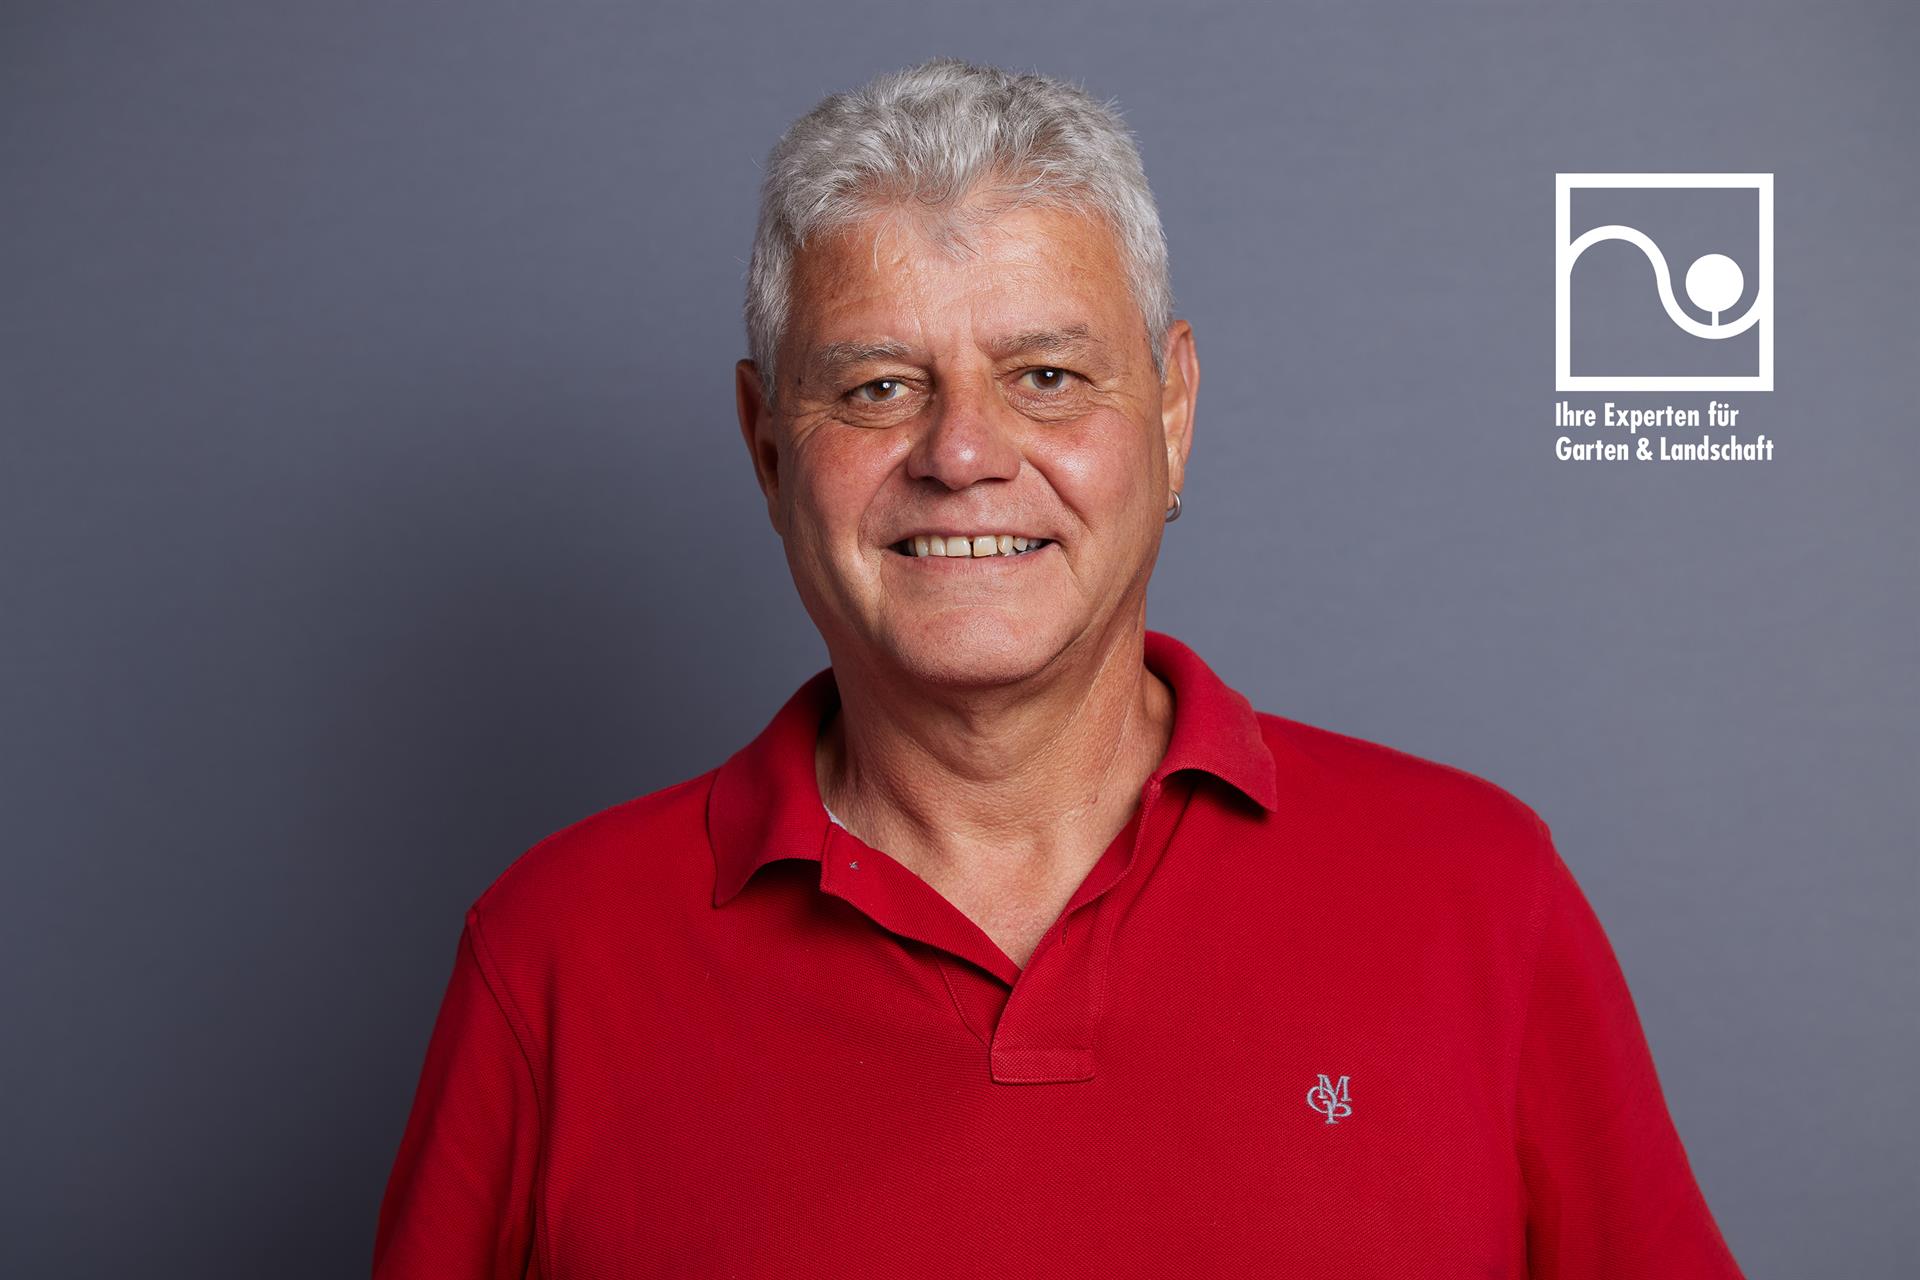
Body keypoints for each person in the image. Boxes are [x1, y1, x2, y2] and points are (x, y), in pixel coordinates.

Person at [372, 56, 1746, 1278]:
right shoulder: (553, 961)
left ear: (1173, 412)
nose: (962, 454)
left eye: (1045, 376)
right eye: (877, 387)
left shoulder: (1479, 899)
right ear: (768, 446)